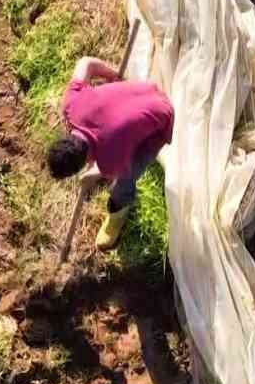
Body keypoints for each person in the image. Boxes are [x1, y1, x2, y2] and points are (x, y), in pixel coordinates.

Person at [47, 55, 175, 250]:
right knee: (125, 137)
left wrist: (94, 174)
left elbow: (112, 169)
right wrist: (111, 75)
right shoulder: (71, 104)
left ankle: (118, 212)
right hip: (141, 90)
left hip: (162, 114)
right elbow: (86, 63)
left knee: (125, 179)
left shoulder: (111, 157)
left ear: (82, 164)